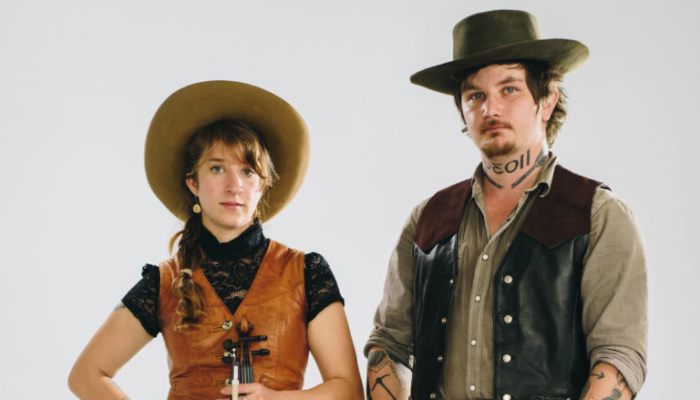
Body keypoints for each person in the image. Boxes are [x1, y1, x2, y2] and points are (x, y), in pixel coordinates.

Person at [364, 10, 647, 400]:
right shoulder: (427, 220)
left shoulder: (597, 214)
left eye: (509, 89)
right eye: (475, 95)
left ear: (547, 101)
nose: (490, 109)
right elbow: (388, 345)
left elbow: (618, 357)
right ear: (463, 110)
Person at [69, 80, 363, 400]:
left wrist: (275, 398)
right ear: (193, 183)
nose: (234, 186)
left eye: (248, 172)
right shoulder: (164, 281)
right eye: (217, 169)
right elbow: (86, 375)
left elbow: (348, 391)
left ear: (263, 184)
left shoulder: (306, 271)